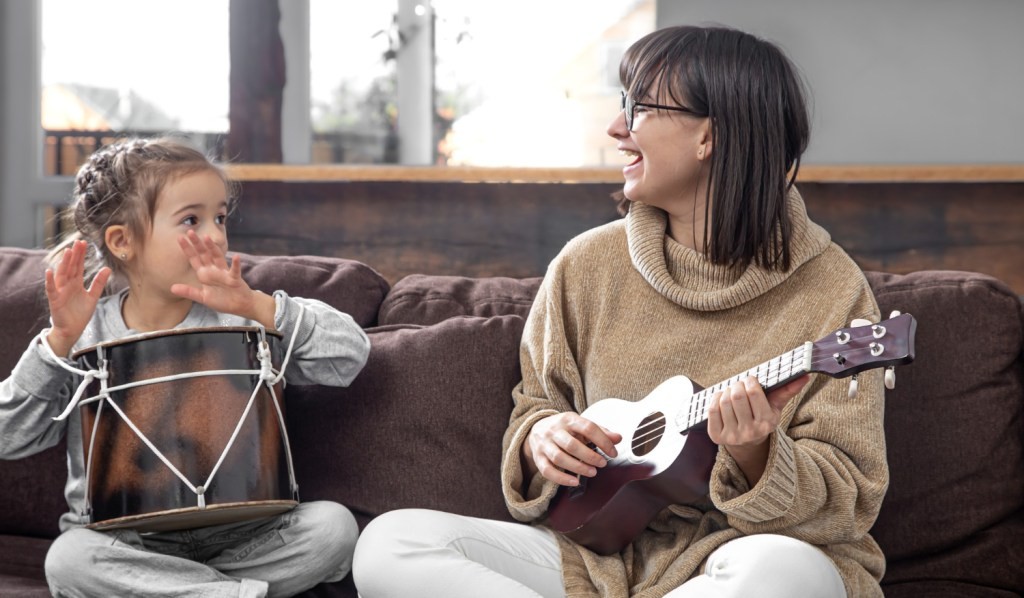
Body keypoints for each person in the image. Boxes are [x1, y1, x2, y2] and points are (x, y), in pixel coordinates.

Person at [352, 25, 888, 598]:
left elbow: (848, 504)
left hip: (736, 562)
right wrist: (543, 439)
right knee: (391, 543)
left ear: (710, 135)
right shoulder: (586, 265)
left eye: (636, 107)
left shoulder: (834, 290)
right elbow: (537, 405)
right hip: (595, 561)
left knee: (788, 575)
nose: (615, 128)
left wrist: (757, 452)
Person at [0, 137, 371, 598]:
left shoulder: (243, 317)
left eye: (220, 217)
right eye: (192, 220)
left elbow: (350, 357)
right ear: (123, 241)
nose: (215, 235)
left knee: (334, 528)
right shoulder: (82, 334)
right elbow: (7, 436)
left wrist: (258, 306)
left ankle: (189, 592)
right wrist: (56, 344)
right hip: (127, 543)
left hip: (245, 535)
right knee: (70, 560)